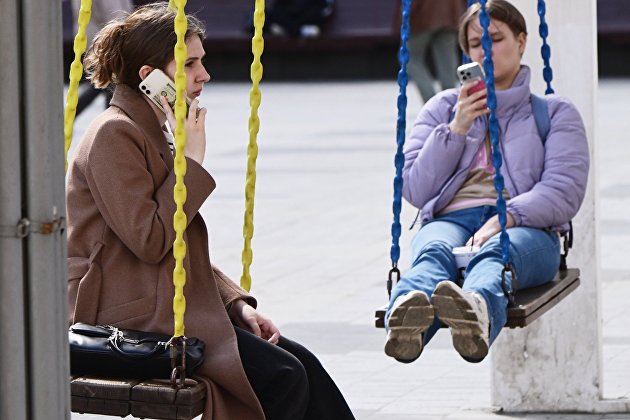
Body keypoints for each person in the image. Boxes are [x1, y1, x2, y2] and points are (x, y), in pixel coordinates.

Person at [65, 4, 355, 420]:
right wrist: (191, 164)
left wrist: (236, 304)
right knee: (283, 375)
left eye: (201, 61)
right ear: (151, 78)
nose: (204, 75)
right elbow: (151, 242)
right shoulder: (114, 133)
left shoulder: (149, 129)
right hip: (118, 309)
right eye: (189, 64)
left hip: (156, 295)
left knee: (303, 364)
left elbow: (179, 250)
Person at [384, 0, 589, 364]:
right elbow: (415, 189)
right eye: (477, 44)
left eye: (496, 38)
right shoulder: (441, 109)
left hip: (525, 228)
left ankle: (476, 312)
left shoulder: (555, 113)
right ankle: (404, 318)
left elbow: (563, 191)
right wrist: (456, 128)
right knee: (433, 252)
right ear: (466, 51)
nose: (486, 50)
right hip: (452, 220)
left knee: (497, 254)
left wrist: (505, 217)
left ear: (522, 41)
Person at [395, 0, 467, 103]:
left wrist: (404, 17)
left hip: (422, 15)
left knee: (409, 58)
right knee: (446, 63)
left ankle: (432, 102)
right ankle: (450, 103)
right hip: (451, 13)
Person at [71, 0, 134, 115]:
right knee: (106, 80)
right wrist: (127, 31)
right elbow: (114, 14)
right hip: (107, 38)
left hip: (95, 37)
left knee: (105, 82)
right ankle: (74, 112)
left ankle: (74, 112)